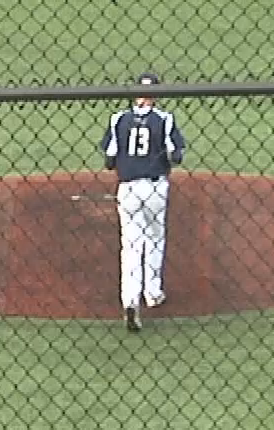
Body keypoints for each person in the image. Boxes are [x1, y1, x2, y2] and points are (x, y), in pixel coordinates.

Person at [101, 71, 188, 333]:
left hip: (127, 189)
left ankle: (130, 300)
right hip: (154, 189)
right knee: (155, 238)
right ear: (158, 94)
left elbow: (109, 160)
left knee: (130, 247)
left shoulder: (118, 119)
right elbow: (176, 156)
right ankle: (153, 292)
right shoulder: (165, 119)